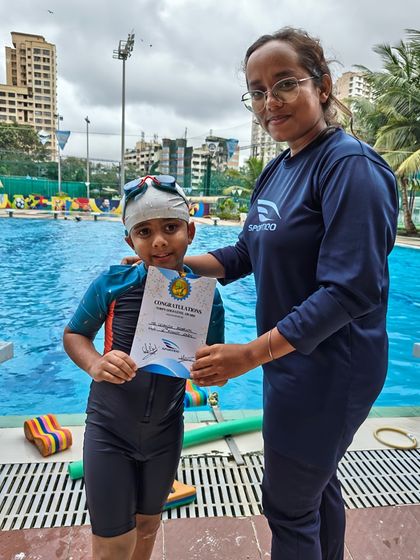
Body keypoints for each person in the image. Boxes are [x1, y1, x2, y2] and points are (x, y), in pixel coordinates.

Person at [185, 27, 399, 560]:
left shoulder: (350, 168)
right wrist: (165, 266)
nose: (268, 102)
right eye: (256, 91)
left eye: (284, 84)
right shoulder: (278, 169)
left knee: (287, 506)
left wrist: (250, 355)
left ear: (322, 86)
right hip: (291, 360)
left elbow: (351, 291)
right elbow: (244, 254)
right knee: (315, 488)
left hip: (332, 368)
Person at [63, 175, 224, 560]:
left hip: (166, 432)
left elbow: (213, 361)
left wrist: (212, 370)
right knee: (112, 544)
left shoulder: (205, 295)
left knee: (149, 527)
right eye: (144, 232)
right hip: (109, 429)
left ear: (191, 231)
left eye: (170, 228)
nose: (159, 242)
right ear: (129, 241)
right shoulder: (112, 282)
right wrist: (96, 363)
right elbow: (74, 335)